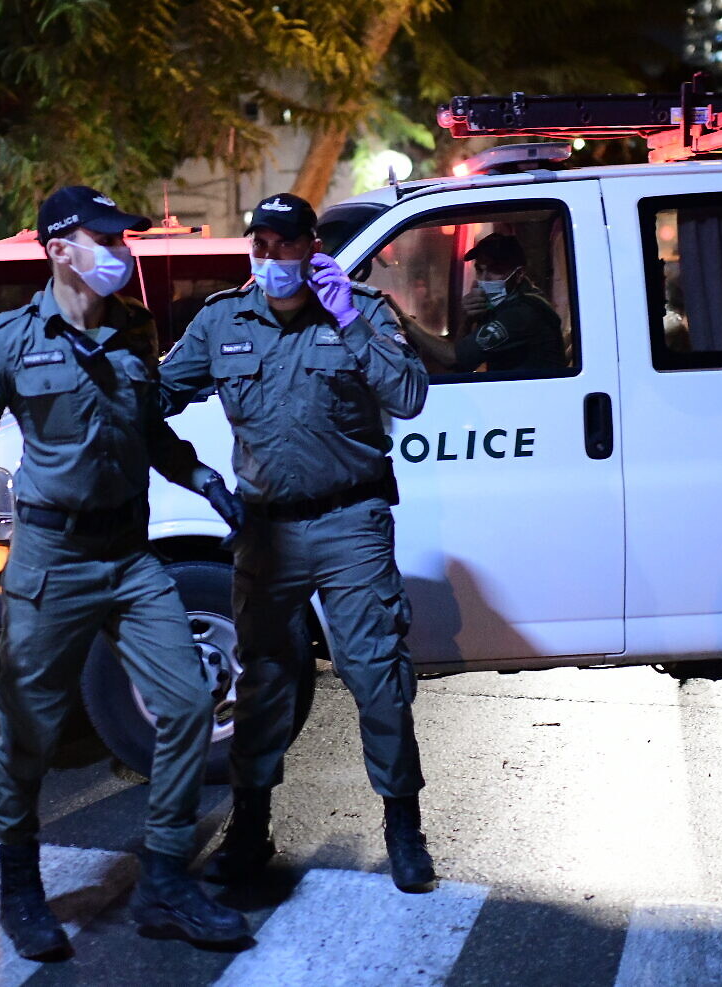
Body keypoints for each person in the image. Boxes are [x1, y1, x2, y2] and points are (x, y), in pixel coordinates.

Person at [0, 186, 250, 959]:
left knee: (183, 703)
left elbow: (147, 429)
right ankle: (19, 888)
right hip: (53, 558)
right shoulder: (9, 340)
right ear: (58, 249)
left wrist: (199, 475)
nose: (121, 251)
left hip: (130, 555)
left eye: (124, 238)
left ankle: (165, 880)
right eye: (104, 238)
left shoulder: (134, 328)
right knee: (28, 731)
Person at [157, 193, 435, 893]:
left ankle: (402, 825)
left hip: (351, 521)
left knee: (376, 674)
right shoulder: (222, 319)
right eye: (260, 243)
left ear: (312, 246)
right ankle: (250, 828)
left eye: (285, 244)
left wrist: (347, 318)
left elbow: (407, 394)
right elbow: (153, 395)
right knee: (264, 680)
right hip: (265, 530)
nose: (271, 257)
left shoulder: (360, 310)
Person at [400, 232, 564, 374]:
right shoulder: (504, 304)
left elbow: (453, 359)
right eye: (480, 270)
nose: (484, 279)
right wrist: (468, 318)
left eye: (495, 270)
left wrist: (403, 320)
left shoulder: (521, 313)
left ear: (519, 274)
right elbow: (464, 363)